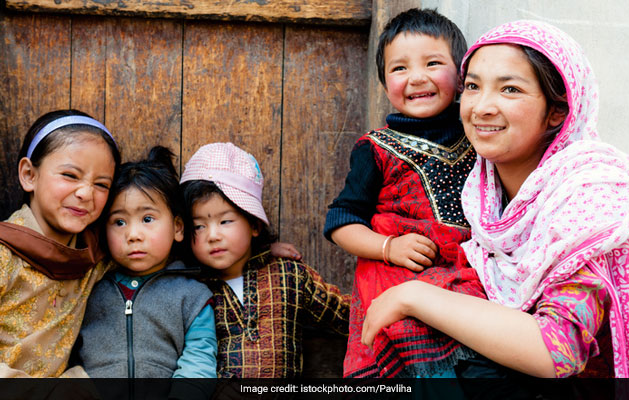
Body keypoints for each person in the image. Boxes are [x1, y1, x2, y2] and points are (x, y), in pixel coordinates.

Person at [362, 20, 629, 379]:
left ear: (557, 111)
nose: (481, 107)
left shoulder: (588, 200)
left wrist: (414, 296)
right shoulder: (480, 196)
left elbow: (558, 351)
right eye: (472, 87)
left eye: (510, 89)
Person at [323, 8, 486, 378]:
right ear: (384, 84)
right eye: (399, 68)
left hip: (465, 278)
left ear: (463, 77)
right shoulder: (376, 149)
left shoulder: (479, 138)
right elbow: (341, 222)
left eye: (432, 63)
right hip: (399, 277)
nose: (416, 78)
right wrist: (388, 247)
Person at [180, 142, 350, 378]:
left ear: (254, 224)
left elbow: (347, 315)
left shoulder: (288, 275)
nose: (213, 236)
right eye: (198, 226)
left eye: (225, 221)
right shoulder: (189, 289)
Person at [74, 146, 217, 391]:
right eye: (119, 222)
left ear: (178, 228)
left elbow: (199, 360)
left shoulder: (192, 297)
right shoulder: (88, 287)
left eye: (147, 219)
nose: (133, 235)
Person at [0, 109, 121, 377]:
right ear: (29, 175)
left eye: (101, 184)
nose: (85, 193)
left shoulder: (92, 257)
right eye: (70, 175)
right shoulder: (4, 253)